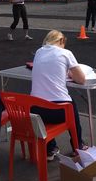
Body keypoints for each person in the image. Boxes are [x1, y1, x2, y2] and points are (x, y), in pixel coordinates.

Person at [31, 30, 87, 160]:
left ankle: (50, 148)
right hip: (57, 111)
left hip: (36, 110)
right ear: (61, 41)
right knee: (71, 104)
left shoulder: (39, 52)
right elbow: (81, 79)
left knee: (44, 100)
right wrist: (70, 73)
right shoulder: (66, 53)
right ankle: (78, 144)